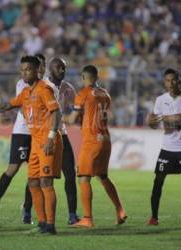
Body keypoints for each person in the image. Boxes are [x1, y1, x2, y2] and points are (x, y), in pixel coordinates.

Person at [0, 56, 62, 234]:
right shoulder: (26, 93)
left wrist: (51, 137)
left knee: (45, 181)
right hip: (36, 142)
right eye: (22, 70)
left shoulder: (44, 89)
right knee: (33, 182)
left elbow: (56, 113)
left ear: (37, 71)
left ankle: (51, 225)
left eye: (28, 69)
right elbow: (7, 105)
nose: (24, 73)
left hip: (47, 141)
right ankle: (42, 223)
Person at [64, 65, 127, 228]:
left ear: (83, 77)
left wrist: (56, 116)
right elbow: (93, 114)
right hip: (105, 138)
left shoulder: (83, 94)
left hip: (92, 140)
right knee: (102, 176)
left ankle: (87, 219)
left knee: (83, 177)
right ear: (97, 77)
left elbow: (71, 120)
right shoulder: (105, 94)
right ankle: (120, 210)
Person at [0, 53, 47, 223]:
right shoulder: (23, 84)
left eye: (42, 65)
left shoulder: (47, 85)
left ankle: (27, 209)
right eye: (38, 65)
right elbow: (22, 104)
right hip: (22, 131)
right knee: (13, 169)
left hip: (39, 134)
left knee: (34, 174)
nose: (40, 68)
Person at [147, 68, 181, 228]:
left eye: (173, 80)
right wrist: (152, 123)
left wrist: (166, 119)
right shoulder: (160, 100)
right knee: (158, 181)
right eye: (167, 80)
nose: (170, 83)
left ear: (179, 81)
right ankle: (154, 217)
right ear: (164, 82)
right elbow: (154, 123)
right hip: (168, 148)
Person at [45, 57, 79, 224]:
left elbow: (75, 111)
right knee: (41, 176)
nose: (62, 70)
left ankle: (72, 215)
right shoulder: (43, 87)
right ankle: (29, 211)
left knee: (71, 174)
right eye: (59, 67)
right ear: (50, 69)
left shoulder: (68, 88)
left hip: (62, 134)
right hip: (44, 137)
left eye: (64, 68)